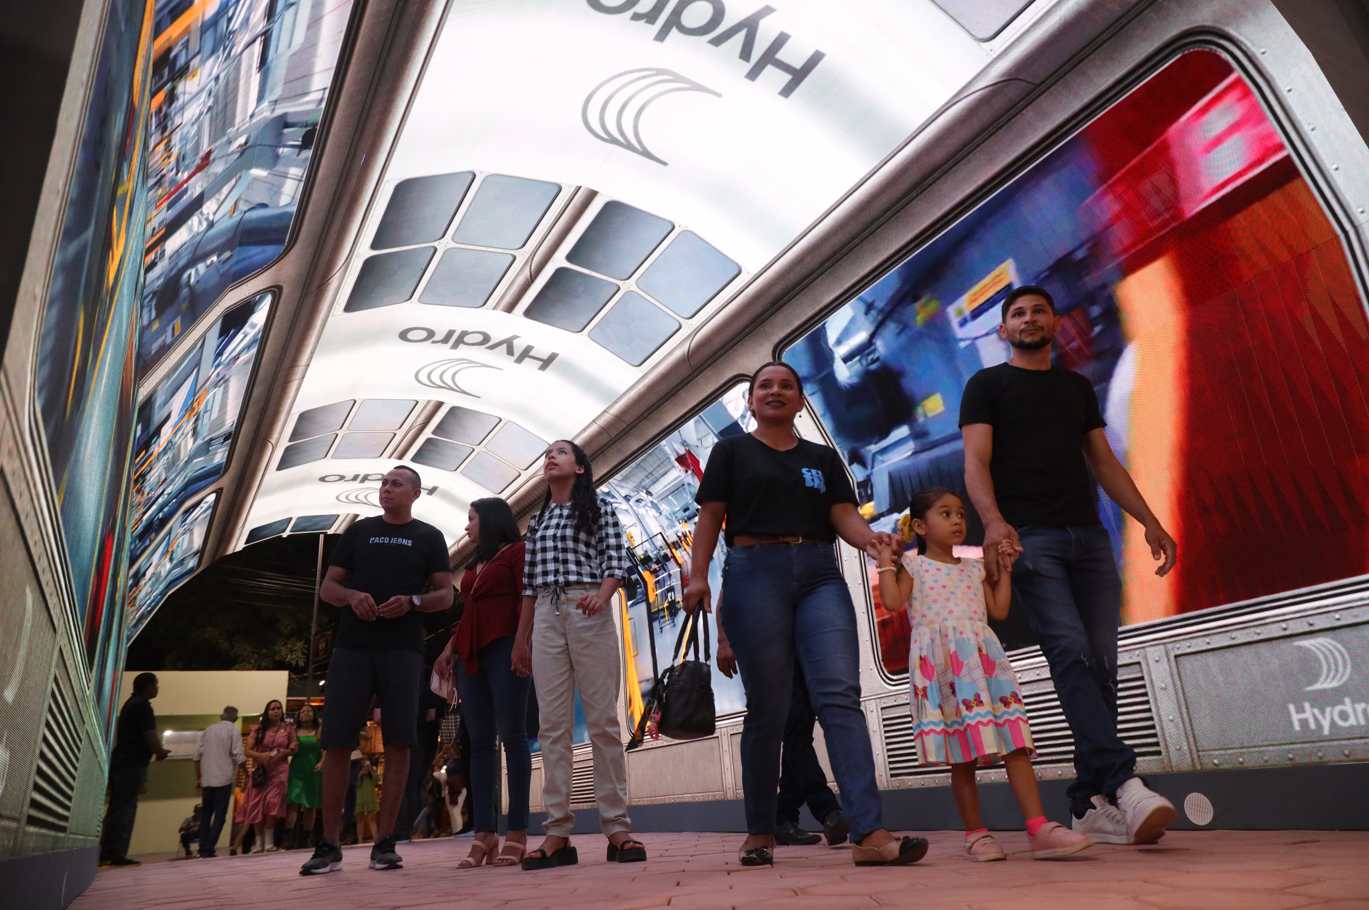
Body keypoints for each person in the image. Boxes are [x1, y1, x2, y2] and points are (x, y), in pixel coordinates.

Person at [684, 362, 927, 868]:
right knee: (769, 708)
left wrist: (872, 542)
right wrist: (698, 575)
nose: (775, 391)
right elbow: (710, 515)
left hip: (820, 571)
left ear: (799, 401)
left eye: (786, 386)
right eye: (764, 386)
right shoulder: (731, 451)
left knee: (839, 696)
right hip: (754, 570)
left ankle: (870, 832)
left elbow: (842, 515)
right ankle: (760, 831)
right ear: (751, 402)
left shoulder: (820, 458)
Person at [961, 285, 1179, 846]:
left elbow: (1103, 462)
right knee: (1072, 656)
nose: (1029, 319)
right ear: (1003, 331)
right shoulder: (988, 385)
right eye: (1018, 314)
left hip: (1089, 538)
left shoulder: (1076, 387)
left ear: (1056, 323)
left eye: (1039, 310)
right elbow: (976, 463)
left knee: (1101, 663)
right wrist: (993, 522)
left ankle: (1086, 802)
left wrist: (1149, 521)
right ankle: (1125, 783)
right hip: (1031, 543)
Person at [878, 487, 1094, 860]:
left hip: (984, 666)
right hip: (946, 673)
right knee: (963, 757)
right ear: (919, 526)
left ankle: (1038, 827)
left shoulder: (975, 568)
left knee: (1016, 743)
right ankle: (977, 835)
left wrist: (1004, 571)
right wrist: (885, 562)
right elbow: (894, 602)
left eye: (960, 513)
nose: (958, 520)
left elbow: (998, 609)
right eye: (945, 514)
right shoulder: (913, 566)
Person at [302, 465, 453, 875]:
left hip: (403, 649)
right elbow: (328, 588)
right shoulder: (359, 530)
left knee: (400, 741)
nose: (386, 489)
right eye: (384, 483)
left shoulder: (429, 537)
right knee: (336, 741)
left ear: (415, 494)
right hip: (351, 648)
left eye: (396, 484)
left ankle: (385, 841)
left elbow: (445, 595)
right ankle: (329, 842)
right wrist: (351, 596)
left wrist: (412, 602)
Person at [511, 440, 645, 870]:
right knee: (552, 726)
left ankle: (617, 827)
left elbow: (616, 563)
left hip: (588, 607)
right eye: (547, 453)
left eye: (562, 453)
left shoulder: (601, 509)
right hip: (547, 617)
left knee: (603, 719)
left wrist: (601, 597)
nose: (551, 457)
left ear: (581, 469)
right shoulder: (538, 520)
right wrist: (520, 639)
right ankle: (557, 834)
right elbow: (529, 586)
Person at [717, 622, 847, 848]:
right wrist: (724, 639)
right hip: (768, 648)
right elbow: (728, 592)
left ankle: (784, 816)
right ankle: (828, 811)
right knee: (796, 728)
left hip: (798, 644)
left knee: (800, 730)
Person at [452, 497, 531, 868]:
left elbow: (525, 598)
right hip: (469, 653)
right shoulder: (474, 563)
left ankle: (517, 831)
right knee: (479, 742)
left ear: (491, 519)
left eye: (472, 519)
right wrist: (448, 648)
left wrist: (522, 642)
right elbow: (469, 608)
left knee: (513, 737)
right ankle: (484, 833)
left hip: (505, 646)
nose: (466, 526)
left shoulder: (518, 551)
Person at [100, 672, 170, 867]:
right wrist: (160, 751)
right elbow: (149, 735)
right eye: (155, 685)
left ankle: (108, 851)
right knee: (124, 808)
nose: (157, 689)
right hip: (131, 764)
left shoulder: (131, 704)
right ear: (148, 686)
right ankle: (116, 853)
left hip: (123, 762)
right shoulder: (142, 706)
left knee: (118, 807)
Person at [231, 699, 296, 854]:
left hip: (279, 770)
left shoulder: (288, 728)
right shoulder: (259, 729)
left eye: (279, 708)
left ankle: (269, 840)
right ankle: (259, 843)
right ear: (267, 711)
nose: (276, 711)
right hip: (260, 771)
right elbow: (247, 751)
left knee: (272, 801)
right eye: (273, 708)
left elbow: (294, 746)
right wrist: (261, 755)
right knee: (256, 804)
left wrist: (286, 752)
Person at [195, 705, 246, 857]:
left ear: (221, 716)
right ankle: (209, 848)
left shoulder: (208, 730)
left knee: (206, 814)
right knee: (219, 815)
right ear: (235, 719)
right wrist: (247, 774)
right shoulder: (233, 730)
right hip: (223, 779)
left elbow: (197, 756)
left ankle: (202, 847)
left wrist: (199, 777)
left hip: (207, 778)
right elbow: (239, 755)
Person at [284, 703, 323, 849]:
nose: (306, 713)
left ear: (314, 715)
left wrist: (322, 763)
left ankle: (308, 836)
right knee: (293, 801)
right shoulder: (293, 731)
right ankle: (288, 837)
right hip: (297, 769)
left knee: (311, 804)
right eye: (303, 711)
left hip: (314, 769)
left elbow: (325, 749)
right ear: (298, 716)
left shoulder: (319, 731)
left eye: (309, 711)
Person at [355, 757, 381, 842]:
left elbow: (377, 780)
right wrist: (362, 772)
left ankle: (375, 839)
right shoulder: (355, 770)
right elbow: (353, 783)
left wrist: (370, 770)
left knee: (372, 819)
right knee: (360, 820)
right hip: (359, 797)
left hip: (370, 796)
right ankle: (360, 840)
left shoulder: (372, 770)